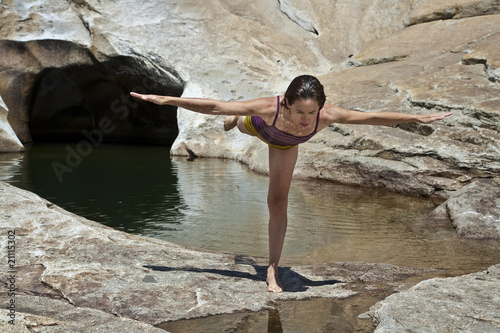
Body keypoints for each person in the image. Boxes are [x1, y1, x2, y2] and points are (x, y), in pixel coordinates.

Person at [131, 75, 452, 292]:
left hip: (284, 145)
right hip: (258, 125)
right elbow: (214, 106)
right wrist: (165, 99)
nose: (304, 119)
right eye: (299, 111)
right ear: (286, 102)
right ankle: (237, 122)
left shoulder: (327, 115)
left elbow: (371, 117)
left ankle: (272, 267)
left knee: (277, 202)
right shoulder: (270, 107)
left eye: (311, 113)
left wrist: (415, 118)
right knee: (239, 121)